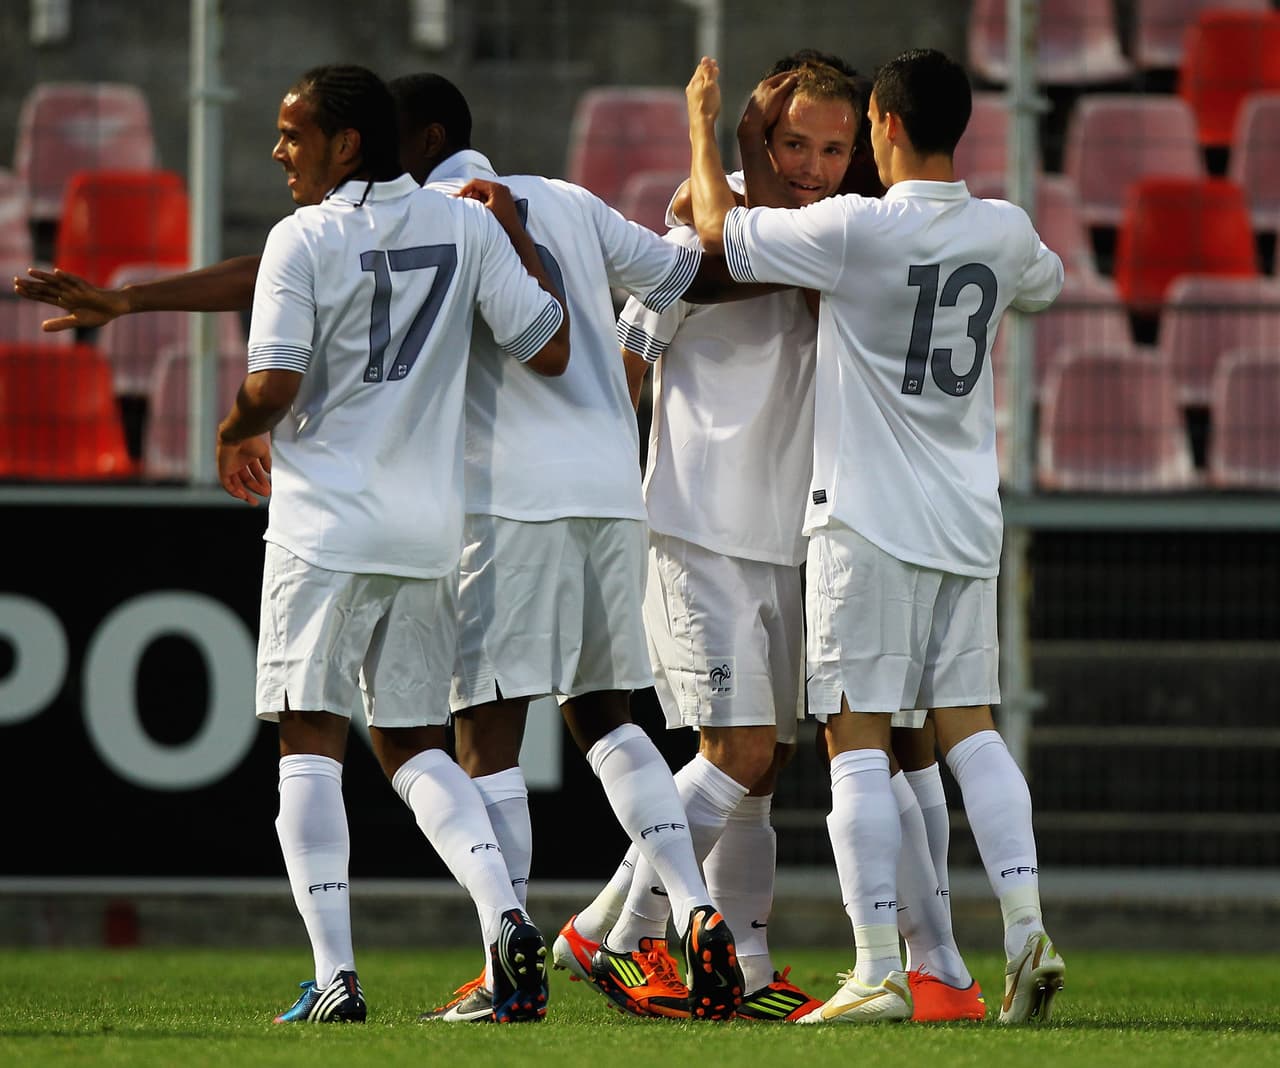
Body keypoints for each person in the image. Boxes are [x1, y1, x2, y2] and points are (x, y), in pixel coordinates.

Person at [17, 69, 749, 1026]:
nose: (287, 152)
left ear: (401, 138)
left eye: (304, 134)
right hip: (558, 500)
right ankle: (677, 907)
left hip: (436, 509)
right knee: (564, 721)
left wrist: (168, 337)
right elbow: (638, 299)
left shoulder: (390, 218)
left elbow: (277, 292)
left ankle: (450, 958)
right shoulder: (537, 207)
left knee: (410, 738)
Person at [683, 48, 1066, 1025]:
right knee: (968, 730)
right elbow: (1045, 286)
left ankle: (874, 969)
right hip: (964, 518)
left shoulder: (854, 228)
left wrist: (712, 131)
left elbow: (721, 236)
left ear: (882, 130)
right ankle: (1023, 934)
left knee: (853, 736)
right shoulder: (1003, 228)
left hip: (864, 517)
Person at [195, 63, 567, 1024]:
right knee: (412, 744)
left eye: (292, 132)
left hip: (324, 522)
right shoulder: (466, 223)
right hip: (428, 529)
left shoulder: (303, 238)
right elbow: (546, 343)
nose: (279, 149)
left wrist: (237, 429)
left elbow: (274, 384)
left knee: (309, 736)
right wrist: (515, 231)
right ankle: (508, 915)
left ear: (345, 143)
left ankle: (334, 978)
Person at [389, 72, 748, 1024]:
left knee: (485, 740)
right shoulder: (573, 200)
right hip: (607, 491)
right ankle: (696, 906)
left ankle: (505, 970)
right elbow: (682, 277)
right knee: (609, 721)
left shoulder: (428, 217)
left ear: (423, 137)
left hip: (506, 501)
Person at [556, 56, 860, 1024]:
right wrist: (599, 490)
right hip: (695, 521)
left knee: (763, 763)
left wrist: (734, 163)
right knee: (730, 750)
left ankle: (749, 966)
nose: (813, 164)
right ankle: (624, 936)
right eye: (793, 143)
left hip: (787, 529)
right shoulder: (693, 221)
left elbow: (778, 264)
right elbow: (631, 353)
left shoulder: (841, 234)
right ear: (759, 139)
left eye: (832, 147)